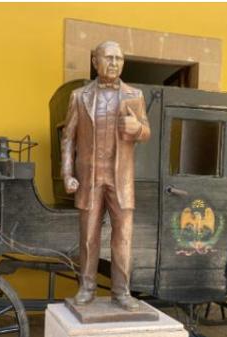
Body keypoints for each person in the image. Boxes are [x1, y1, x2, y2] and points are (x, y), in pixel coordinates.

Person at [60, 40, 151, 311]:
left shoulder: (134, 95)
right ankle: (87, 288)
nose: (114, 63)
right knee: (88, 237)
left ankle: (121, 292)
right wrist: (67, 174)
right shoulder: (79, 97)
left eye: (119, 59)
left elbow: (146, 132)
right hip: (89, 178)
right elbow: (68, 138)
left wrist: (137, 129)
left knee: (123, 238)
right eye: (109, 58)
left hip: (120, 180)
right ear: (95, 62)